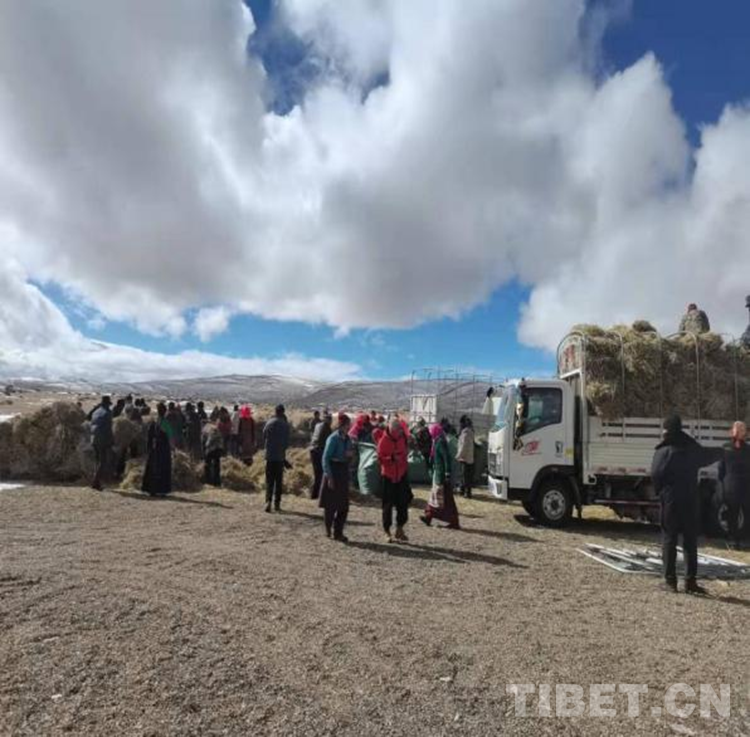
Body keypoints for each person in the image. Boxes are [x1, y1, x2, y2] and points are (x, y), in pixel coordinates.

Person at [651, 414, 722, 594]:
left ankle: (670, 581)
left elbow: (656, 476)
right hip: (690, 499)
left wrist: (661, 493)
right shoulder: (692, 449)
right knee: (690, 541)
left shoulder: (663, 451)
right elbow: (708, 456)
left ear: (667, 430)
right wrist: (724, 450)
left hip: (671, 500)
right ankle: (690, 582)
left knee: (669, 539)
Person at [377, 417, 412, 543]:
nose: (400, 432)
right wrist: (391, 458)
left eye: (400, 430)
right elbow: (380, 458)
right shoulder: (383, 440)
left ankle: (400, 529)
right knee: (387, 505)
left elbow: (405, 452)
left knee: (403, 503)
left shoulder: (402, 438)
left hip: (401, 474)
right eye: (397, 431)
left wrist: (403, 459)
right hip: (388, 475)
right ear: (392, 430)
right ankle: (387, 531)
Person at [320, 413, 353, 541]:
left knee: (343, 506)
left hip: (343, 470)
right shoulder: (333, 438)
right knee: (331, 505)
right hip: (333, 470)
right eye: (347, 425)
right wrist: (329, 476)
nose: (349, 427)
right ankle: (328, 528)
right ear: (342, 425)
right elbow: (325, 458)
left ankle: (338, 532)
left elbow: (349, 455)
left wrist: (349, 456)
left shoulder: (348, 439)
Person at [420, 423, 460, 529]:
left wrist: (447, 473)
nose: (430, 434)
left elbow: (446, 458)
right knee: (435, 497)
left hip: (442, 476)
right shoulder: (436, 441)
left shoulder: (440, 442)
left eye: (431, 431)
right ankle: (428, 516)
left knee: (445, 500)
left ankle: (453, 521)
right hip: (438, 474)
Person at [718, 421, 750, 550]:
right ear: (732, 431)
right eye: (738, 429)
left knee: (747, 514)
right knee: (732, 515)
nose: (740, 431)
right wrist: (722, 486)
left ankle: (745, 540)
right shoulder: (725, 448)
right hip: (730, 487)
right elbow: (721, 469)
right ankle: (732, 541)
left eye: (742, 429)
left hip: (746, 486)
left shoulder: (748, 449)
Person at [263, 404, 290, 512]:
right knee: (278, 482)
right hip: (280, 457)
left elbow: (264, 435)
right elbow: (287, 443)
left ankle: (268, 502)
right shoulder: (285, 425)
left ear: (275, 411)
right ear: (283, 412)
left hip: (269, 456)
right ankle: (277, 504)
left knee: (269, 481)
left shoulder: (269, 422)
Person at [142, 402, 173, 496]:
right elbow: (170, 436)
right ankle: (162, 490)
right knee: (163, 468)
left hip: (154, 448)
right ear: (164, 411)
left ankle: (151, 489)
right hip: (163, 448)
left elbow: (149, 436)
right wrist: (173, 447)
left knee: (153, 468)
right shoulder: (165, 422)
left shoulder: (154, 421)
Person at [90, 396, 114, 491]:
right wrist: (111, 441)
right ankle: (95, 482)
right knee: (103, 461)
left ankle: (95, 480)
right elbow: (108, 429)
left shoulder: (95, 412)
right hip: (103, 439)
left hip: (93, 438)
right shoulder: (108, 413)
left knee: (97, 461)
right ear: (108, 404)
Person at [309, 412, 332, 499]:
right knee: (320, 474)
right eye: (330, 420)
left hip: (313, 450)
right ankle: (316, 494)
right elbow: (328, 442)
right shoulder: (326, 427)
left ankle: (315, 493)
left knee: (317, 474)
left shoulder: (317, 425)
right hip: (319, 451)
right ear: (328, 420)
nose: (331, 422)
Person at [457, 415, 476, 498]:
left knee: (465, 476)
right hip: (469, 457)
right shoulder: (470, 432)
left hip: (465, 458)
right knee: (467, 476)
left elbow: (463, 446)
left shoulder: (466, 432)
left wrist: (458, 456)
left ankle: (466, 493)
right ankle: (464, 491)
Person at [203, 420, 225, 487]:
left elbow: (207, 441)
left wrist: (205, 449)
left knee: (207, 464)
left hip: (212, 447)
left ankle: (208, 480)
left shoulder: (205, 428)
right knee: (216, 465)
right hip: (219, 447)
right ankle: (217, 482)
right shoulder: (214, 427)